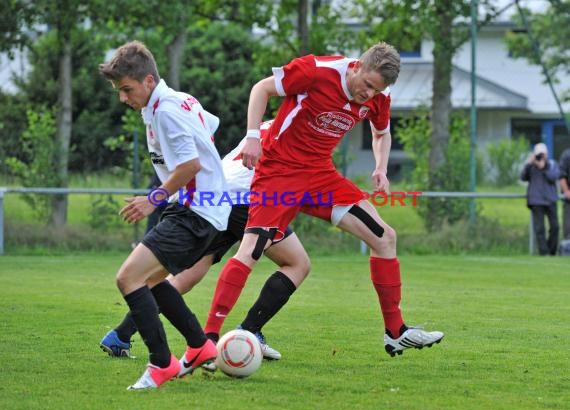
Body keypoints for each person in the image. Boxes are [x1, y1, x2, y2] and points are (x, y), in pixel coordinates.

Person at [203, 41, 444, 358]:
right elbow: (261, 89)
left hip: (319, 176)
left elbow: (382, 133)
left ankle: (396, 332)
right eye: (368, 85)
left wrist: (381, 167)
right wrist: (251, 136)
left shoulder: (379, 96)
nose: (369, 95)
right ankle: (206, 343)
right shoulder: (316, 70)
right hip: (279, 171)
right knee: (251, 250)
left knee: (384, 237)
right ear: (357, 66)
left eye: (377, 90)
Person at [100, 122, 310, 363]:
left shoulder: (264, 124)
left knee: (182, 278)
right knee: (297, 263)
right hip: (250, 197)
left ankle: (120, 335)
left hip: (216, 195)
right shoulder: (306, 126)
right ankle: (247, 331)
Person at [99, 40, 231, 389]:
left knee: (128, 279)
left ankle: (162, 363)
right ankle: (200, 347)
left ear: (147, 80)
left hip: (194, 212)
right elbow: (210, 126)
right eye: (118, 91)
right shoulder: (176, 101)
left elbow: (190, 164)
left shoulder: (167, 110)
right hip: (202, 209)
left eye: (126, 90)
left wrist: (152, 199)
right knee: (152, 280)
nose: (123, 98)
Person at [521, 142, 560, 256]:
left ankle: (551, 251)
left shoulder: (552, 164)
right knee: (539, 229)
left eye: (542, 155)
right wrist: (529, 164)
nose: (541, 157)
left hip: (550, 200)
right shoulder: (531, 167)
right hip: (536, 200)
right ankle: (544, 253)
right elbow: (523, 177)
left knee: (555, 227)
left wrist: (543, 167)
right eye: (538, 155)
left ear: (546, 154)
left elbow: (554, 177)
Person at [559, 147, 570, 240]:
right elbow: (561, 176)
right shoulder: (567, 155)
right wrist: (566, 191)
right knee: (568, 231)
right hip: (569, 201)